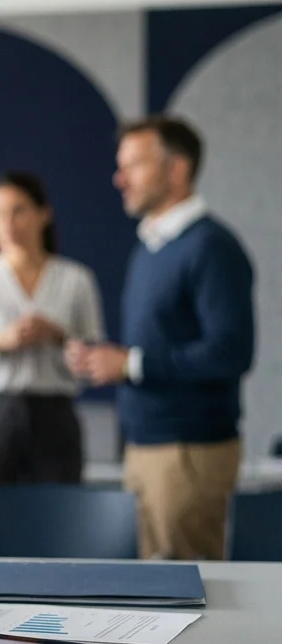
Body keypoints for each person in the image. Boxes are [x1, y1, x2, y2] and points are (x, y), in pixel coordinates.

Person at [68, 116, 254, 561]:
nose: (119, 178)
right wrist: (106, 360)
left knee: (185, 595)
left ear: (177, 169)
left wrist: (130, 364)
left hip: (188, 451)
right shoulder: (151, 246)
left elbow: (231, 351)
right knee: (159, 596)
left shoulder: (211, 247)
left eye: (133, 164)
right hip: (149, 446)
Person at [0, 171, 104, 541]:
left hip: (55, 415)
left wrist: (59, 336)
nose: (6, 224)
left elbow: (94, 360)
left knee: (62, 527)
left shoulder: (75, 279)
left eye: (18, 211)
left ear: (43, 214)